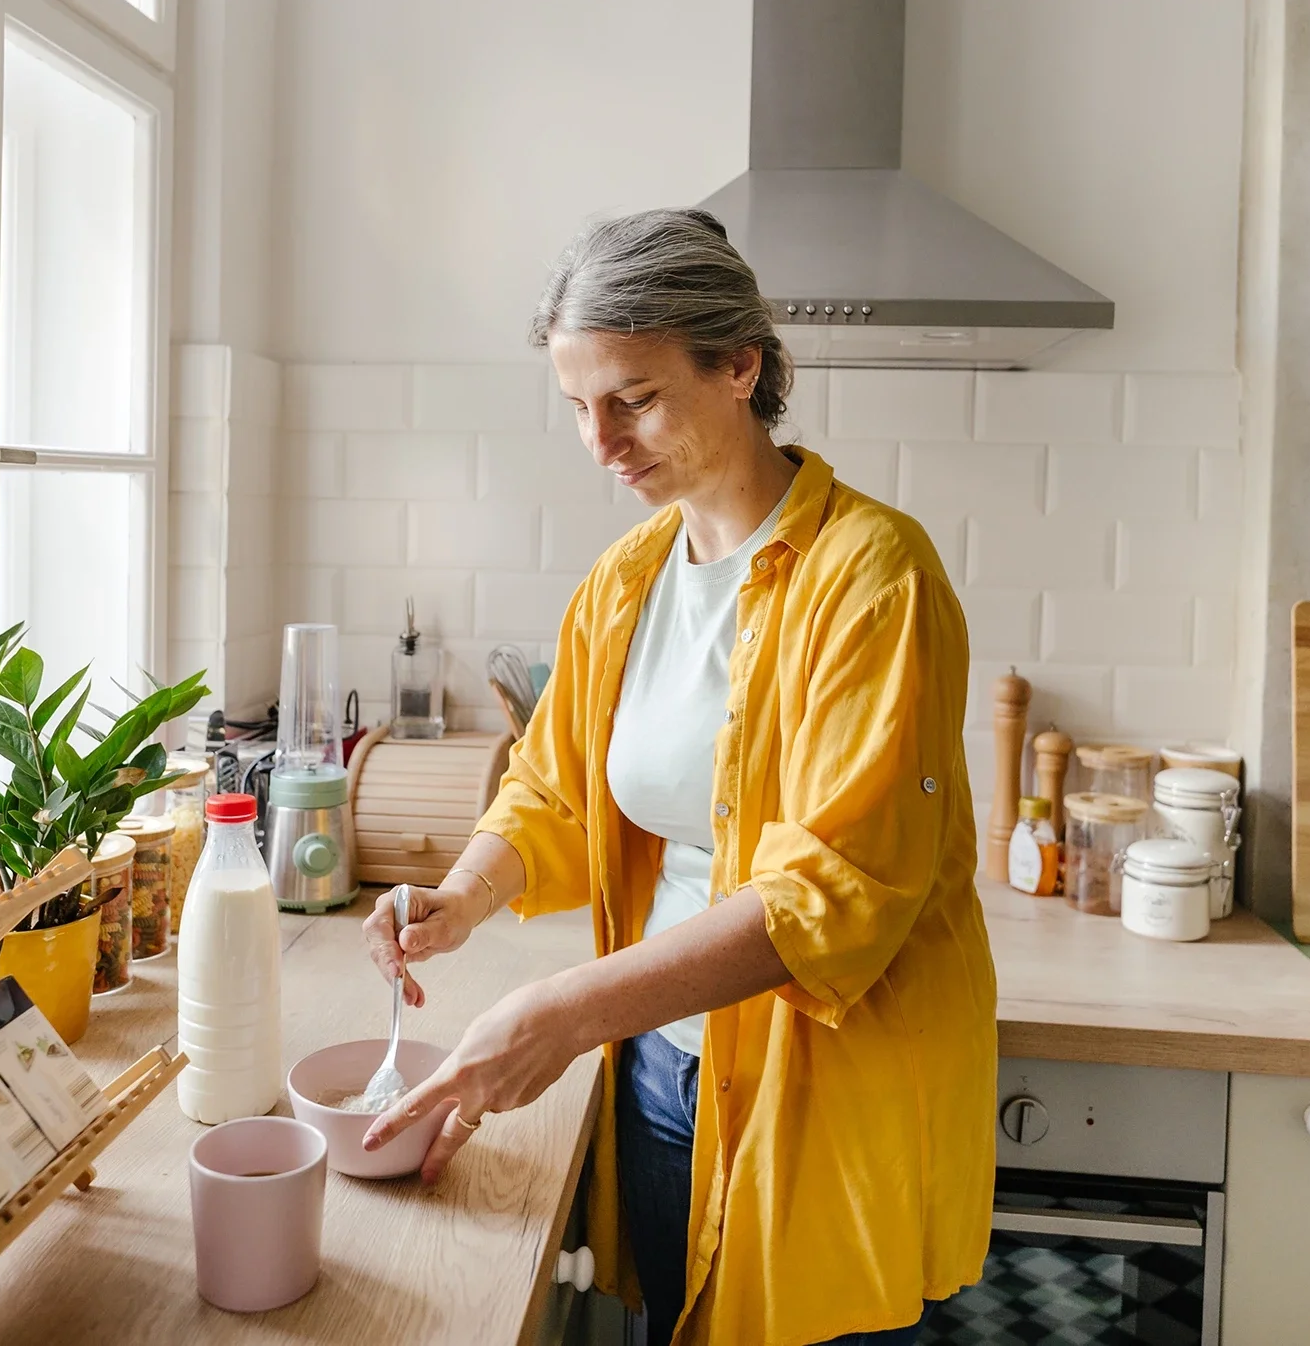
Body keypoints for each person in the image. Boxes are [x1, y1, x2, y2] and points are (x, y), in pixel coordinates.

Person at [359, 207, 997, 1346]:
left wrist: (560, 1012)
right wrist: (462, 898)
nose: (601, 443)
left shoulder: (873, 576)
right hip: (661, 1070)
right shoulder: (627, 578)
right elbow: (554, 787)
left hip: (820, 1096)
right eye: (577, 408)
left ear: (739, 366)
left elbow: (830, 895)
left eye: (634, 399)